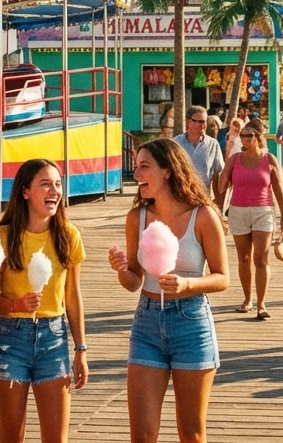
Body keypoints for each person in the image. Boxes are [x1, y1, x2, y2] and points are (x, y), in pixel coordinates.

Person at [109, 139, 228, 443]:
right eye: (135, 167)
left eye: (144, 166)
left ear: (168, 171)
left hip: (191, 324)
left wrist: (188, 283)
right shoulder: (137, 218)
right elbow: (134, 281)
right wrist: (123, 270)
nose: (136, 174)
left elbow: (222, 278)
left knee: (191, 432)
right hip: (147, 323)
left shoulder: (202, 216)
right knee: (142, 435)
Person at [0, 159, 87, 443]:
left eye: (57, 184)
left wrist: (81, 349)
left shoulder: (69, 236)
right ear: (25, 192)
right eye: (45, 184)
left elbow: (72, 296)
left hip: (54, 340)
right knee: (11, 437)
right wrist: (17, 305)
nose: (54, 190)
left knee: (56, 438)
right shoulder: (2, 237)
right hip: (9, 339)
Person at [216, 118, 283, 319]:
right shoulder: (234, 159)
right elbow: (221, 187)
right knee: (244, 258)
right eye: (242, 136)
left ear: (258, 138)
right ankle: (247, 299)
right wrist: (225, 169)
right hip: (238, 210)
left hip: (263, 211)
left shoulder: (269, 159)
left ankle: (261, 304)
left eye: (249, 136)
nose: (244, 139)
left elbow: (278, 189)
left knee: (261, 258)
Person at [175, 105, 224, 198]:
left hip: (203, 198)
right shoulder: (176, 143)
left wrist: (218, 201)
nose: (203, 125)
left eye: (204, 122)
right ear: (188, 122)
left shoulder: (213, 144)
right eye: (199, 121)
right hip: (181, 197)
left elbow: (217, 174)